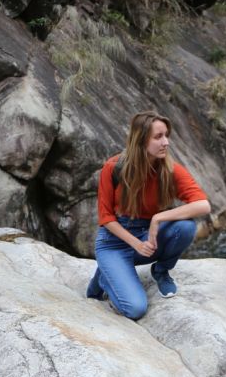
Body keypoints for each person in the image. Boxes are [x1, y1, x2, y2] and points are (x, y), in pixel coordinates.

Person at [85, 111, 211, 320]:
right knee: (135, 309)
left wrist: (158, 219)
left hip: (147, 237)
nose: (166, 142)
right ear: (141, 139)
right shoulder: (113, 167)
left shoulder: (170, 170)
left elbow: (203, 205)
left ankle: (161, 271)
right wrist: (135, 243)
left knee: (186, 227)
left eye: (166, 135)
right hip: (114, 244)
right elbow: (106, 218)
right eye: (158, 137)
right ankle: (105, 278)